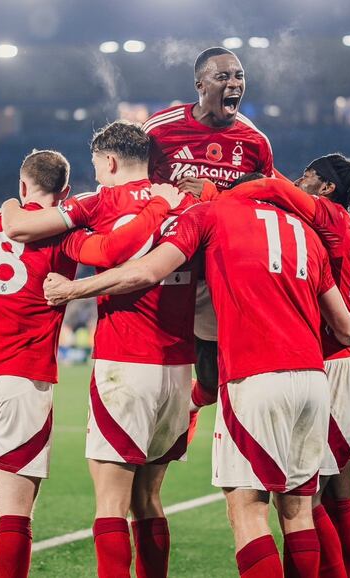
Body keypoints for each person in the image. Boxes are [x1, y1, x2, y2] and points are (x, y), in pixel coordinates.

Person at [44, 182, 350, 578]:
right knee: (299, 511)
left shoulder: (210, 214)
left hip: (253, 376)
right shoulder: (305, 233)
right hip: (314, 381)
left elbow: (146, 270)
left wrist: (72, 289)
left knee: (247, 509)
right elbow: (346, 329)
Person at [0, 149, 179, 578]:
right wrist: (158, 205)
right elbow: (113, 250)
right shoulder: (65, 237)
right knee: (15, 513)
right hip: (24, 379)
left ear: (22, 187)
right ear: (67, 192)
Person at [1, 121, 196, 578]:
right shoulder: (184, 201)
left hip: (125, 362)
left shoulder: (101, 200)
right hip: (177, 367)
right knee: (149, 499)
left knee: (112, 503)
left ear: (108, 162)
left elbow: (21, 226)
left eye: (97, 168)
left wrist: (14, 202)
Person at [207, 155, 350, 578]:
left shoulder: (328, 215)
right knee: (327, 501)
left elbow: (276, 189)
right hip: (328, 363)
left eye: (307, 177)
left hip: (325, 360)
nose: (297, 182)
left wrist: (219, 193)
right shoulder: (334, 226)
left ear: (327, 187)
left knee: (312, 504)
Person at [143, 46, 276, 418]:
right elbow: (129, 183)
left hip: (217, 272)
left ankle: (192, 412)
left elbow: (264, 201)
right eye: (224, 77)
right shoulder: (159, 130)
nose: (234, 83)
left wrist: (215, 193)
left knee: (210, 378)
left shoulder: (255, 142)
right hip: (164, 267)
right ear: (200, 84)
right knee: (152, 383)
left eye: (239, 77)